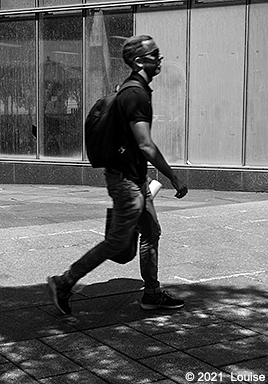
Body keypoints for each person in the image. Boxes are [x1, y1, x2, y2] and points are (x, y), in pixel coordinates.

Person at [47, 35, 188, 315]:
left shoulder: (135, 89)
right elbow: (145, 143)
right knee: (117, 243)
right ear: (138, 61)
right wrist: (173, 176)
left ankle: (151, 294)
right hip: (126, 182)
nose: (159, 58)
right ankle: (64, 282)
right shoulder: (135, 93)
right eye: (154, 54)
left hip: (136, 180)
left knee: (151, 232)